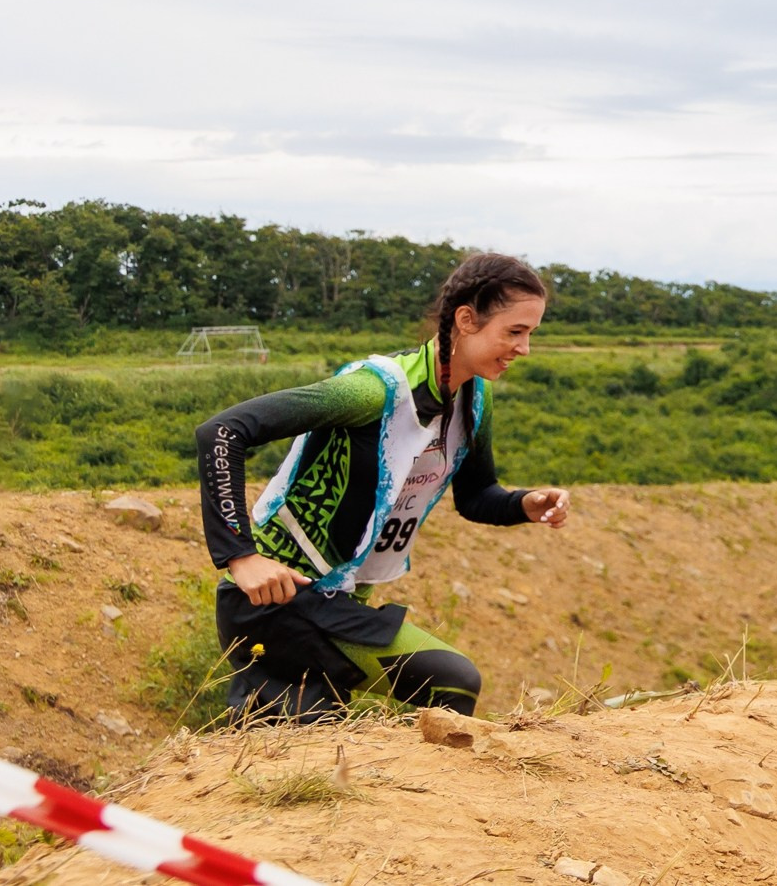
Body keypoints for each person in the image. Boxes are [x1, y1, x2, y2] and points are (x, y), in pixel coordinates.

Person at [195, 253, 571, 720]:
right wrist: (241, 556)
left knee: (301, 749)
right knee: (453, 680)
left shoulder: (473, 397)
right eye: (515, 331)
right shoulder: (372, 392)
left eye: (531, 333)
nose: (525, 348)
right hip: (280, 598)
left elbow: (476, 496)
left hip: (337, 600)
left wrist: (523, 505)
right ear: (467, 320)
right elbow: (222, 432)